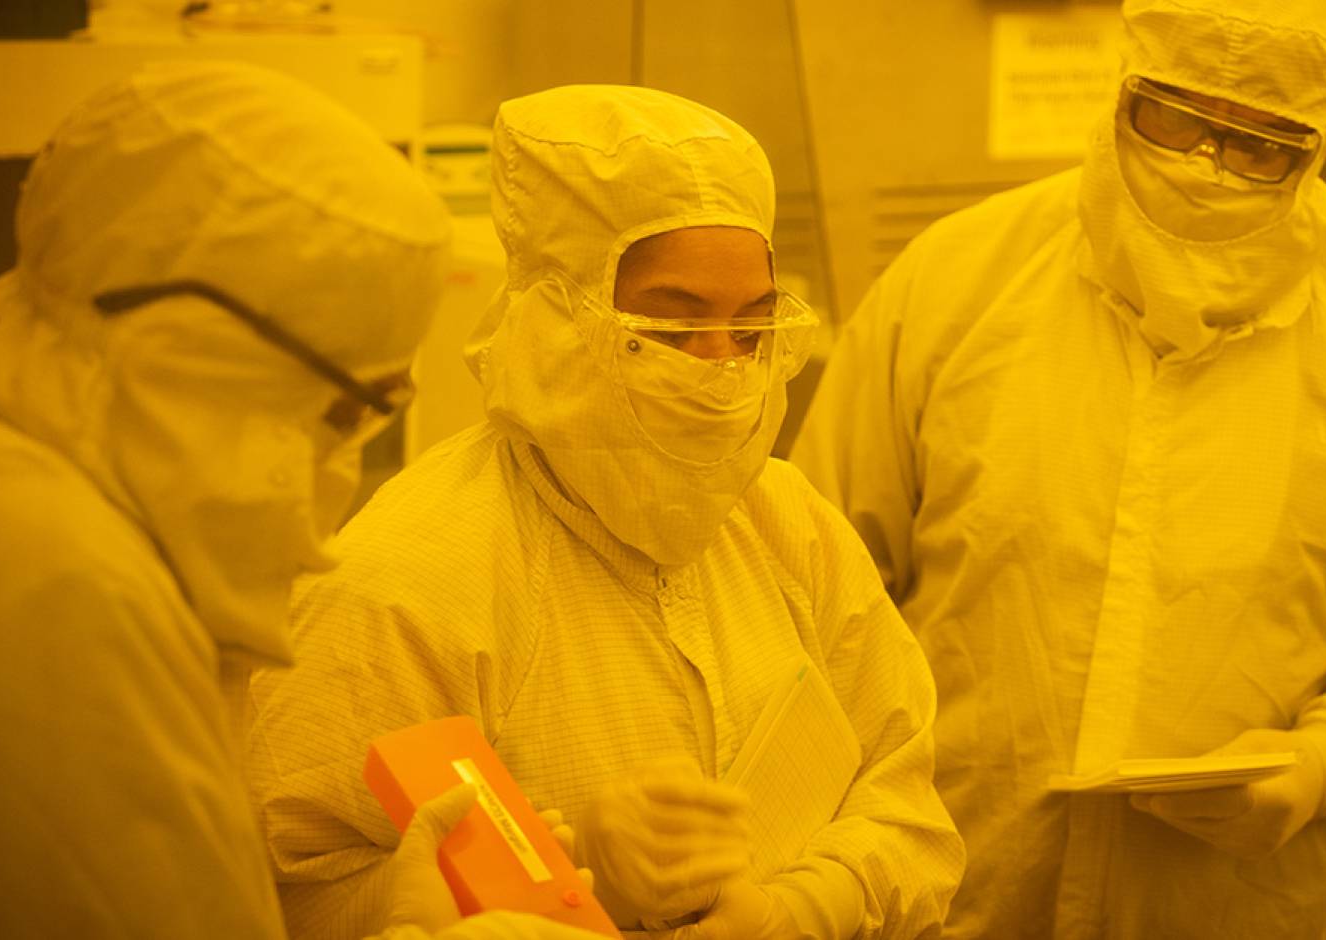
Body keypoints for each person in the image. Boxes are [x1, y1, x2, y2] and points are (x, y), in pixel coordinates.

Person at [788, 0, 1326, 936]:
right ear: (1122, 92)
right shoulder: (952, 286)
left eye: (1259, 142)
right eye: (1176, 116)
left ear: (1317, 149)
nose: (1205, 162)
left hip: (1223, 908)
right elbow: (809, 589)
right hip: (950, 887)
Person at [243, 84, 964, 940]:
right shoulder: (406, 585)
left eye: (751, 328)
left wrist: (795, 911)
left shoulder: (788, 524)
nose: (720, 368)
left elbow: (909, 811)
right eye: (669, 325)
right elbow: (288, 898)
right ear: (556, 316)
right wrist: (578, 877)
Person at [0, 61, 597, 940]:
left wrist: (393, 917)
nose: (323, 494)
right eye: (341, 413)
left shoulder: (33, 465)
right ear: (206, 354)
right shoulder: (58, 582)